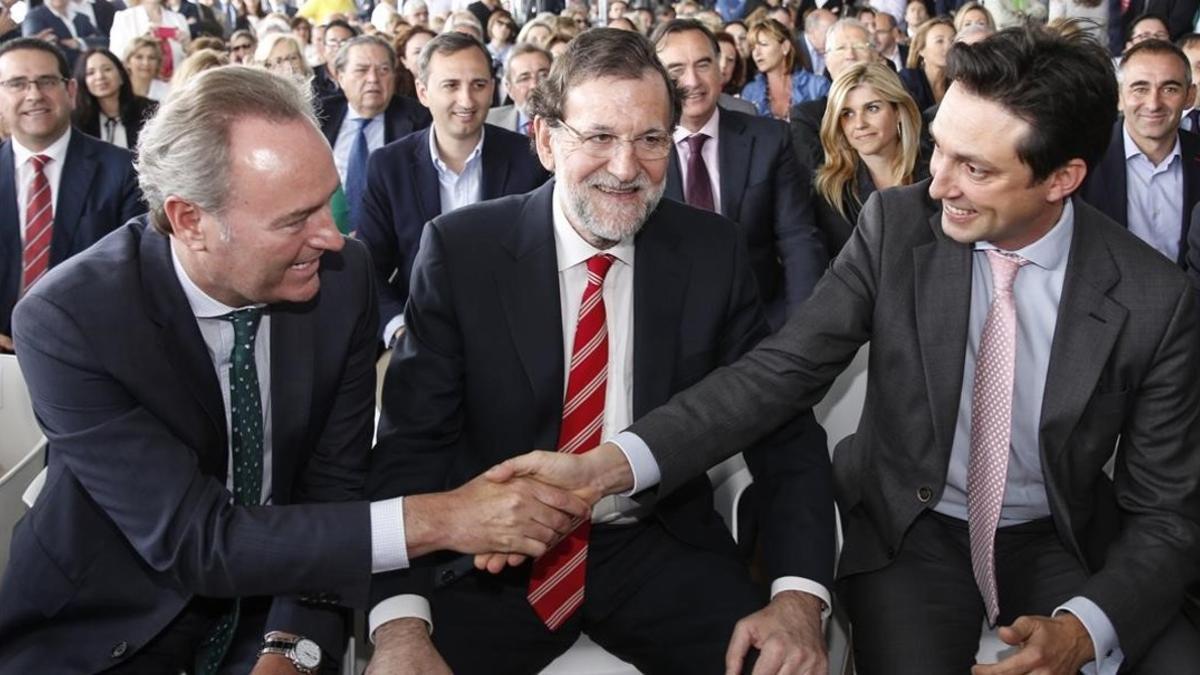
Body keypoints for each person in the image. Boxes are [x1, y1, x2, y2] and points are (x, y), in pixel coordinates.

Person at [490, 24, 1200, 675]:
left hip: (1064, 537)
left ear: (1061, 178)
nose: (938, 181)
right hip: (909, 533)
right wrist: (605, 468)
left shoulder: (1154, 299)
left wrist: (1084, 626)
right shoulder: (898, 226)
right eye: (941, 148)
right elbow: (776, 374)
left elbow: (1168, 513)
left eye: (975, 168)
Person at [0, 64, 591, 673]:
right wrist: (447, 517)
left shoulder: (342, 280)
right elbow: (197, 541)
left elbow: (331, 486)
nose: (332, 237)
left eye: (328, 203)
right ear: (189, 220)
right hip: (106, 629)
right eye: (294, 219)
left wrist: (293, 643)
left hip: (279, 604)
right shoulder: (68, 319)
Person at [365, 27, 834, 675]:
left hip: (657, 544)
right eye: (600, 137)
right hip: (492, 556)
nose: (625, 167)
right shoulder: (462, 252)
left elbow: (779, 426)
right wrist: (400, 627)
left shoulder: (710, 251)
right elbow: (409, 450)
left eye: (649, 139)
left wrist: (797, 598)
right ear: (545, 140)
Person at [357, 32, 549, 346]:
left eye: (478, 84)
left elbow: (545, 261)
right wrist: (401, 331)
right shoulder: (389, 166)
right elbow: (369, 271)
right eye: (450, 85)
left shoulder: (529, 160)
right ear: (422, 91)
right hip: (420, 334)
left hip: (512, 338)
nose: (467, 100)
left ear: (493, 88)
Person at [654, 19, 828, 326]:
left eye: (703, 64)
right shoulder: (639, 151)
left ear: (721, 67)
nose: (692, 81)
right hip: (668, 329)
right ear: (656, 77)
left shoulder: (770, 139)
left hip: (757, 325)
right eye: (676, 70)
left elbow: (798, 238)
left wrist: (801, 332)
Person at [0, 38, 143, 352]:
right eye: (17, 84)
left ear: (72, 91)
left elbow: (136, 274)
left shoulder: (122, 171)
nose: (34, 94)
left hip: (91, 350)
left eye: (47, 81)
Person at [1080, 39, 1200, 269]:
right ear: (1119, 96)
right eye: (1140, 89)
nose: (1154, 103)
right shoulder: (1085, 157)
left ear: (1190, 96)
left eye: (1169, 89)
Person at [318, 35, 431, 230]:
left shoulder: (420, 120)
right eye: (362, 70)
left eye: (383, 70)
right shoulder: (318, 117)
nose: (373, 79)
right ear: (340, 77)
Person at [813, 62, 926, 255]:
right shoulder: (831, 191)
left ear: (898, 111)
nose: (859, 124)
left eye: (872, 108)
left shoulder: (934, 171)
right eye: (847, 114)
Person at [790, 18, 880, 170]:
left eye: (859, 46)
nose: (850, 55)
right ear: (826, 59)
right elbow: (816, 176)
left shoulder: (896, 103)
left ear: (875, 55)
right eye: (840, 48)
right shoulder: (807, 117)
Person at [741, 18, 829, 119]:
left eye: (763, 44)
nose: (756, 53)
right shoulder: (750, 92)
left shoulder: (817, 86)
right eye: (752, 48)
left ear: (785, 47)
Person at [72, 47, 157, 150]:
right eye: (91, 73)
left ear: (121, 76)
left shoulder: (150, 110)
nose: (100, 76)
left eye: (107, 69)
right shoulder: (76, 120)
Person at [110, 0, 192, 81]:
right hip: (137, 87)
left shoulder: (179, 19)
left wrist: (186, 45)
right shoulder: (124, 18)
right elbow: (116, 58)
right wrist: (143, 41)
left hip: (174, 86)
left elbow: (189, 60)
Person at [486, 41, 551, 133]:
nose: (534, 85)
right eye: (524, 78)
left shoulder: (571, 122)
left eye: (543, 76)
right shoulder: (489, 122)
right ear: (509, 88)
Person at [21, 0, 98, 68]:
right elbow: (34, 47)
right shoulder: (35, 17)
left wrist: (79, 42)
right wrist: (88, 43)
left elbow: (104, 41)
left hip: (85, 73)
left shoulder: (81, 17)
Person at [899, 16, 953, 111]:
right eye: (939, 41)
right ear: (921, 49)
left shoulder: (959, 83)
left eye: (953, 41)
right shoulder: (908, 80)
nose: (949, 46)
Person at [122, 35, 170, 99]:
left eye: (151, 58)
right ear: (128, 62)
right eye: (139, 57)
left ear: (158, 63)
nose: (146, 63)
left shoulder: (168, 92)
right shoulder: (117, 90)